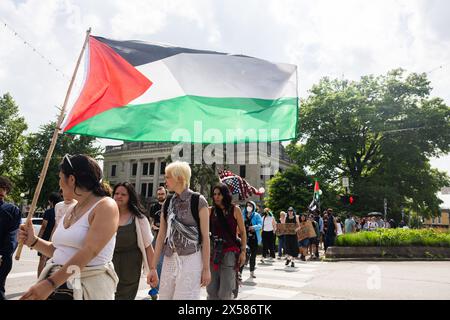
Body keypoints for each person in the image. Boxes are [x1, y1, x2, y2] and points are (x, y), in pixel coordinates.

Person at [18, 154, 122, 300]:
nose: (59, 184)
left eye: (60, 178)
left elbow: (89, 251)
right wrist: (33, 241)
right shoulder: (71, 208)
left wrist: (50, 283)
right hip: (59, 285)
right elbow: (58, 250)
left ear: (72, 179)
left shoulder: (106, 206)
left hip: (85, 288)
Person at [150, 161, 210, 300]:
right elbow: (161, 236)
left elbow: (205, 238)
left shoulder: (198, 201)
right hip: (170, 258)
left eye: (168, 177)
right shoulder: (168, 202)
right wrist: (153, 267)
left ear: (180, 178)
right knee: (165, 297)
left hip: (191, 258)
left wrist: (206, 269)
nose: (165, 181)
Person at [112, 182, 157, 300]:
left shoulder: (139, 219)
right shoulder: (106, 216)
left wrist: (153, 270)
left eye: (123, 194)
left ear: (130, 197)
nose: (119, 196)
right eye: (116, 193)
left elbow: (148, 247)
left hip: (130, 270)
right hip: (109, 267)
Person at [207, 183, 247, 300]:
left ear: (225, 195)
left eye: (219, 194)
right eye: (214, 194)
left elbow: (243, 232)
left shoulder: (235, 210)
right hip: (213, 253)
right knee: (211, 291)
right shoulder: (210, 210)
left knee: (225, 292)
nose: (216, 197)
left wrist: (243, 251)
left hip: (230, 252)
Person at [0, 176, 21, 300]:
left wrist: (3, 254)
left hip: (2, 258)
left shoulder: (12, 210)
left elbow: (12, 236)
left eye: (1, 196)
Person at [145, 186, 167, 299]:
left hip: (166, 238)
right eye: (159, 194)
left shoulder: (169, 206)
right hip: (156, 235)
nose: (160, 196)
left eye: (162, 194)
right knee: (154, 261)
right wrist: (154, 227)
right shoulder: (154, 207)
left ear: (165, 194)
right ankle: (155, 288)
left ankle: (157, 288)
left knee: (161, 262)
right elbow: (151, 222)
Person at [37, 192, 63, 277]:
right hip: (58, 238)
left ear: (51, 201)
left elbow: (43, 227)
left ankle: (39, 279)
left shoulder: (48, 212)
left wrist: (37, 238)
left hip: (46, 237)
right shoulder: (62, 211)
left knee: (42, 260)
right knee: (54, 260)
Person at [240, 201, 262, 279]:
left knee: (253, 256)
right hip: (244, 238)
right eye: (247, 205)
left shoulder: (257, 215)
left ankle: (252, 272)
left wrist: (254, 227)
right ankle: (240, 273)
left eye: (250, 205)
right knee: (243, 255)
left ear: (253, 207)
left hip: (254, 238)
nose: (249, 207)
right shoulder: (243, 215)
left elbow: (260, 225)